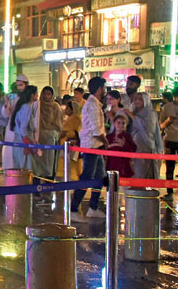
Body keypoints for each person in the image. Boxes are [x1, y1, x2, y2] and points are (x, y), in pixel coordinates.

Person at [71, 76, 108, 222]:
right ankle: (74, 208)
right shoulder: (92, 104)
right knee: (87, 177)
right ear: (100, 89)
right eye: (104, 88)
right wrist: (106, 142)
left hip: (95, 146)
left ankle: (93, 207)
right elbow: (96, 130)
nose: (105, 91)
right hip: (91, 147)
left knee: (99, 176)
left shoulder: (95, 103)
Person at [33, 86, 63, 196]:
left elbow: (59, 124)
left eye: (49, 94)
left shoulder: (56, 107)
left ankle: (48, 191)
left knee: (49, 165)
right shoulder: (37, 105)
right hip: (38, 138)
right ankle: (36, 191)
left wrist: (53, 134)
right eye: (44, 94)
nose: (46, 96)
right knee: (37, 165)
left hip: (50, 139)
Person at [129, 92, 162, 181]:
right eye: (136, 99)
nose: (137, 101)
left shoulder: (150, 113)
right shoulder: (133, 111)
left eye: (140, 99)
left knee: (144, 173)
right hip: (134, 146)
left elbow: (149, 129)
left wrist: (133, 117)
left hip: (145, 146)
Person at [9, 86, 38, 171]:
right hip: (23, 141)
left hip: (20, 140)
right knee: (25, 168)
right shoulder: (26, 107)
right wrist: (26, 145)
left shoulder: (24, 106)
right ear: (32, 95)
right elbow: (23, 127)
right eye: (36, 93)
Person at [104, 114, 136, 178]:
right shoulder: (109, 137)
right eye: (118, 123)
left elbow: (133, 149)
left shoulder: (127, 137)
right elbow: (104, 150)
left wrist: (124, 144)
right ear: (114, 123)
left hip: (123, 167)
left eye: (123, 123)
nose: (121, 125)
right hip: (110, 165)